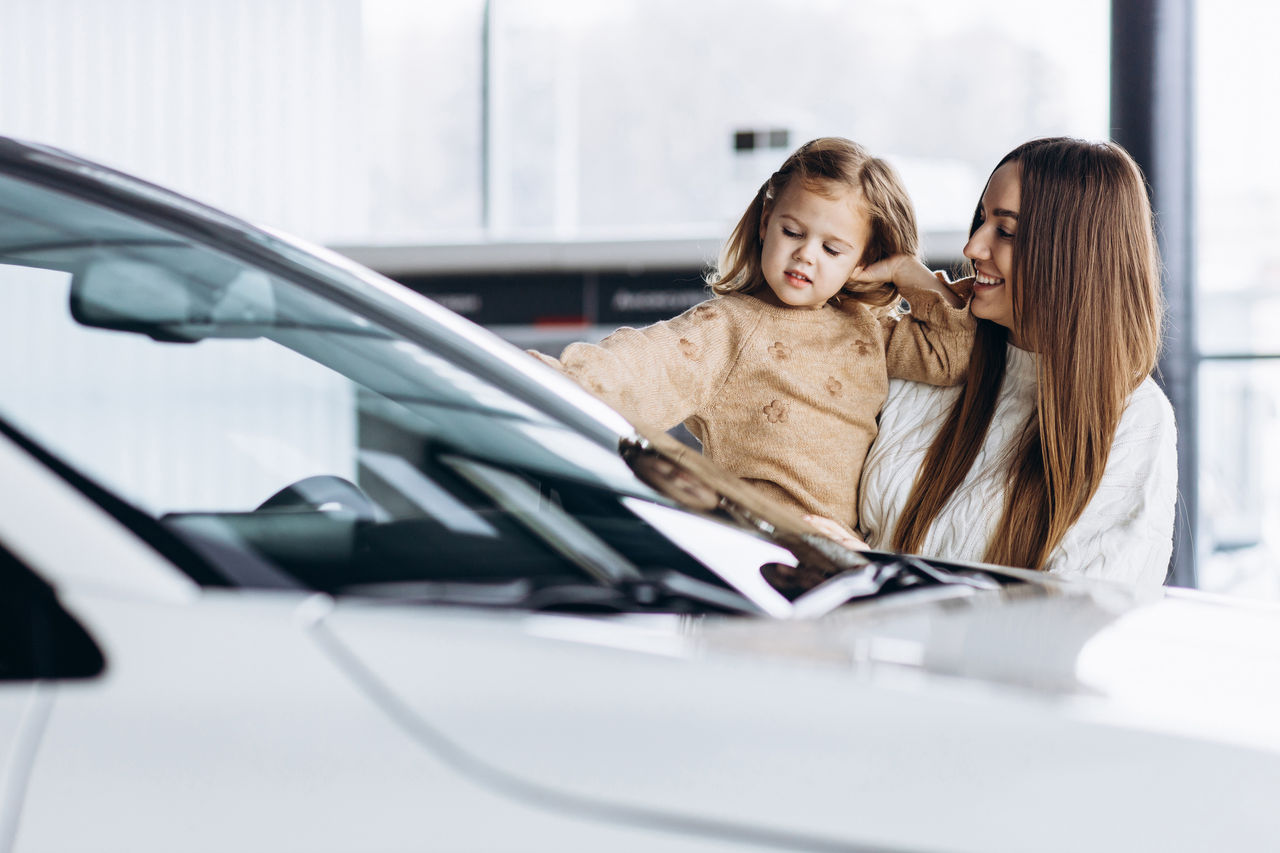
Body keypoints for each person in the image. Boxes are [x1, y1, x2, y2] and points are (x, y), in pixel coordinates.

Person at [532, 137, 973, 533]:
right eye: (793, 232)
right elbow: (638, 367)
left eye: (832, 249)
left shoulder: (870, 330)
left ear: (864, 258)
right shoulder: (727, 328)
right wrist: (543, 377)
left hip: (842, 564)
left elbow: (954, 356)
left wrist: (907, 271)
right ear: (766, 221)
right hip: (756, 553)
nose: (805, 254)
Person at [815, 137, 1176, 586]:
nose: (972, 248)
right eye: (981, 220)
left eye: (1005, 231)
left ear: (1074, 255)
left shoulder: (1134, 417)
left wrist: (877, 577)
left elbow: (1084, 614)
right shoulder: (932, 361)